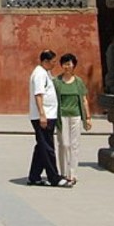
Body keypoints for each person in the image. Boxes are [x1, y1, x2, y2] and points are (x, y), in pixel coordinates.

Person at [28, 49, 71, 187]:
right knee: (48, 148)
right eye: (52, 62)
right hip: (43, 116)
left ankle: (34, 177)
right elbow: (38, 95)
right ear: (45, 61)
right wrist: (42, 115)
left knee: (42, 146)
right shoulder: (39, 74)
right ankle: (54, 177)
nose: (54, 64)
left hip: (49, 115)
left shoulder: (46, 73)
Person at [54, 53, 91, 185]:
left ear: (73, 65)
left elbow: (84, 100)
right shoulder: (56, 81)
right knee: (64, 144)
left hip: (75, 116)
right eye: (64, 64)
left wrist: (88, 117)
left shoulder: (78, 81)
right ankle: (63, 173)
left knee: (74, 145)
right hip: (62, 116)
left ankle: (72, 173)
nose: (67, 66)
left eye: (69, 64)